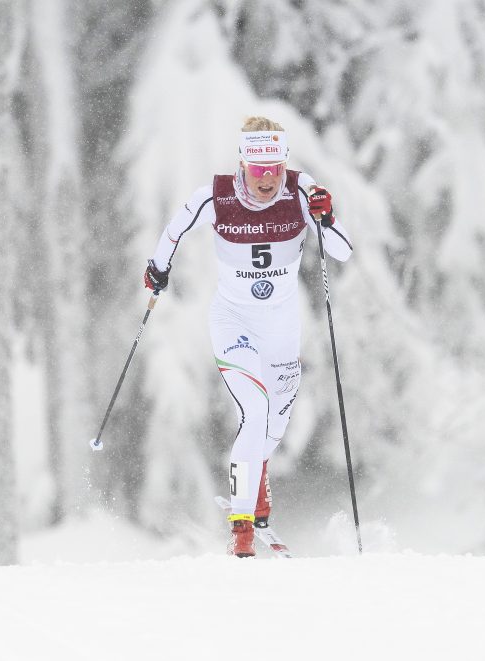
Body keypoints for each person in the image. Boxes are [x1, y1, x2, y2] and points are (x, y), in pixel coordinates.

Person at [143, 116, 353, 557]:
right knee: (255, 411)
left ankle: (257, 485)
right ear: (243, 163)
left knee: (275, 423)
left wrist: (326, 217)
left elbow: (342, 250)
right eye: (258, 170)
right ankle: (241, 533)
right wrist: (157, 271)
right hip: (233, 322)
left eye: (274, 168)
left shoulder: (299, 191)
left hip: (281, 327)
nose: (267, 179)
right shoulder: (216, 197)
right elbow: (174, 229)